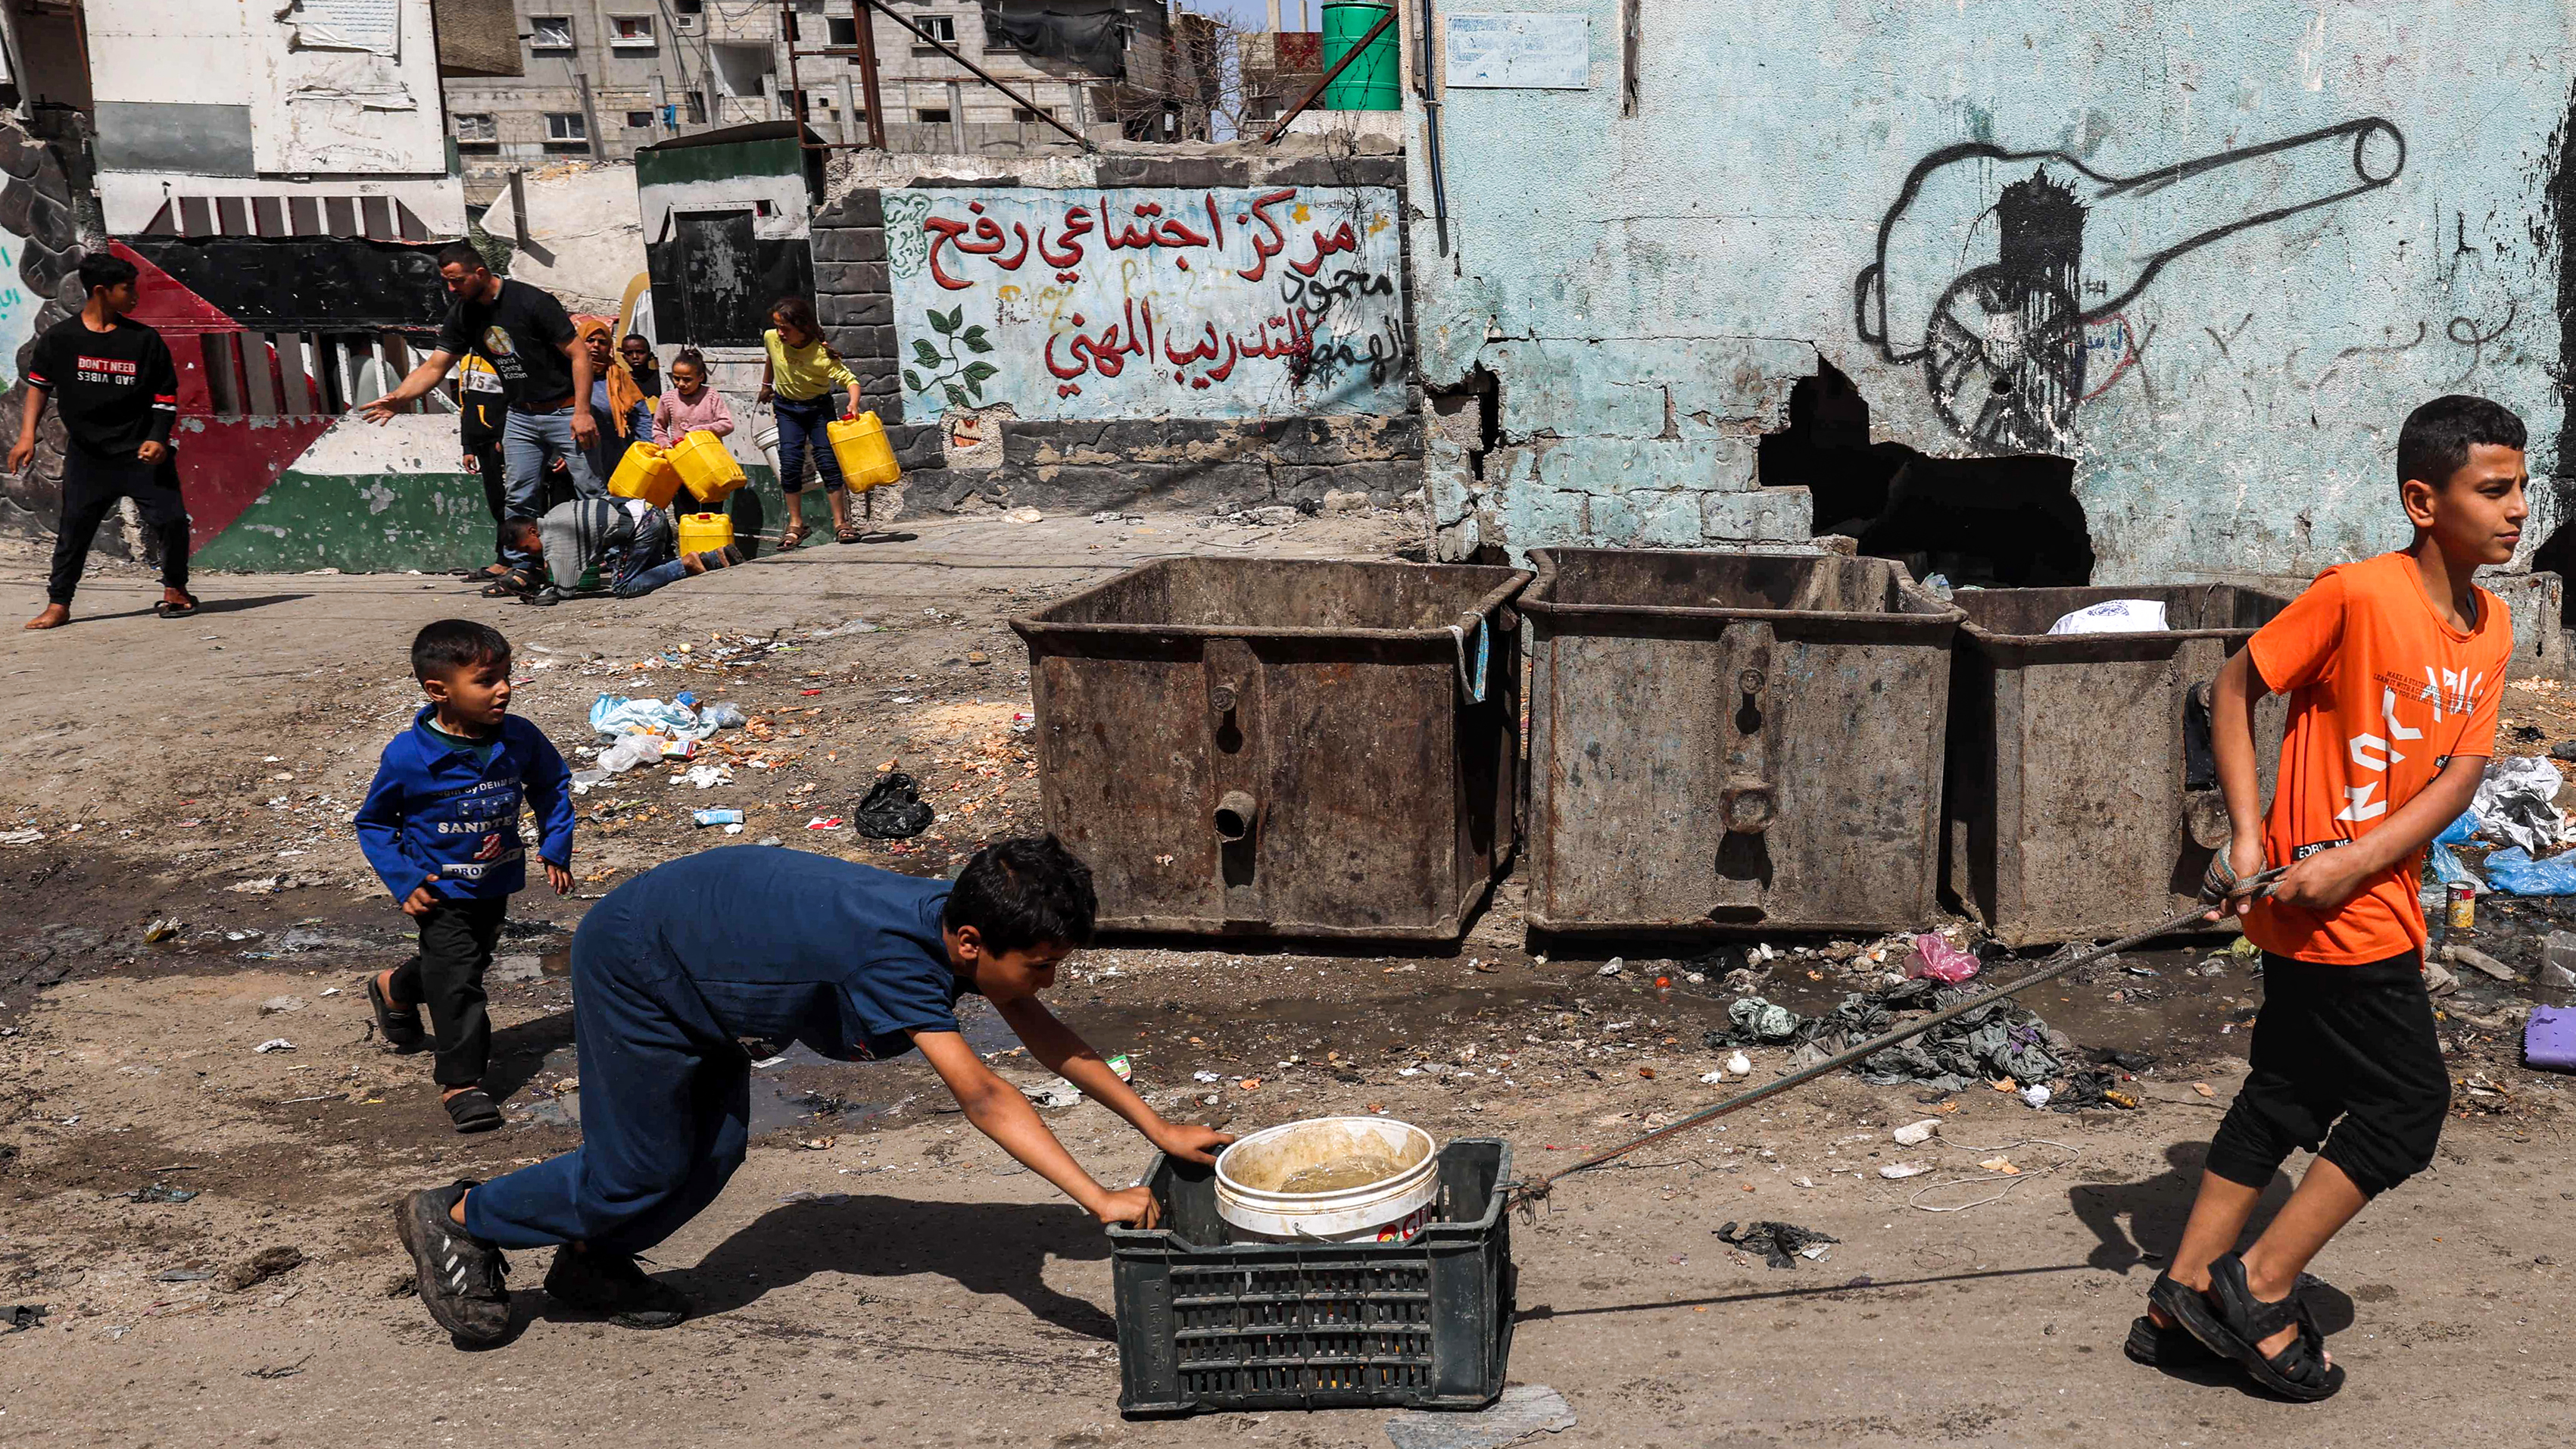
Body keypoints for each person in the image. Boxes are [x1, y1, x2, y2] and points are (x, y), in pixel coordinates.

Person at [391, 835, 1230, 1345]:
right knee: (633, 1169)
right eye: (1040, 963)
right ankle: (461, 1217)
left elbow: (1043, 1034)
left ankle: (591, 1262)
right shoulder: (897, 955)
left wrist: (1157, 1130)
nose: (1046, 979)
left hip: (711, 968)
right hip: (642, 961)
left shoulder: (960, 928)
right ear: (972, 940)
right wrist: (1093, 1195)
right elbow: (984, 1094)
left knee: (713, 1153)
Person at [2139, 394, 2524, 1401]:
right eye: (2493, 489)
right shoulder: (2356, 594)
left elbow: (2456, 777)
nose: (2517, 507)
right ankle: (2256, 1287)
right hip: (2330, 915)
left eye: (2522, 487)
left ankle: (2177, 1297)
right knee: (2405, 1107)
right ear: (2421, 499)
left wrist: (2358, 859)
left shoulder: (2490, 629)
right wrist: (2248, 829)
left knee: (2288, 1092)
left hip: (2361, 891)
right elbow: (2229, 688)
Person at [355, 620, 576, 1135]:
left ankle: (394, 987)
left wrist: (556, 844)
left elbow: (552, 783)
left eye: (507, 675)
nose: (503, 689)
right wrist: (405, 879)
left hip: (493, 882)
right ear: (440, 691)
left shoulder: (518, 737)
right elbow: (373, 821)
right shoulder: (409, 756)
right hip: (437, 888)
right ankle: (462, 1081)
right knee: (458, 982)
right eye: (486, 680)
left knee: (462, 962)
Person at [359, 243, 599, 578]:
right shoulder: (463, 313)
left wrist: (583, 411)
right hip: (520, 415)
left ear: (480, 273)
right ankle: (524, 568)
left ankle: (612, 558)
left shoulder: (531, 302)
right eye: (447, 281)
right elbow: (435, 366)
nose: (451, 289)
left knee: (591, 489)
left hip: (565, 410)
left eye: (457, 280)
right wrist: (399, 398)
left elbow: (579, 355)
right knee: (518, 497)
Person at [11, 251, 192, 629]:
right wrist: (26, 435)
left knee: (171, 521)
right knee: (73, 531)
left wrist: (158, 438)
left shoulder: (144, 341)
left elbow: (165, 397)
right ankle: (59, 604)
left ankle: (175, 589)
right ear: (101, 291)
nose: (135, 297)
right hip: (89, 457)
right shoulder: (61, 339)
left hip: (142, 455)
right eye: (127, 289)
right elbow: (38, 388)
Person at [756, 295, 864, 548]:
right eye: (778, 326)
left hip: (818, 410)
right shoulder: (772, 338)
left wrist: (853, 403)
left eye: (786, 328)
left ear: (803, 327)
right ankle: (796, 523)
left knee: (827, 461)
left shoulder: (821, 355)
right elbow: (772, 357)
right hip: (787, 409)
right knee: (790, 464)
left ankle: (841, 523)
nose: (780, 333)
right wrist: (765, 385)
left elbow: (851, 381)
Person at [505, 501, 740, 604]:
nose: (530, 553)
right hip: (650, 513)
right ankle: (714, 557)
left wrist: (543, 594)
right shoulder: (557, 513)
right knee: (644, 574)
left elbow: (566, 590)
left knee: (623, 586)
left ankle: (686, 563)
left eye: (526, 548)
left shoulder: (555, 535)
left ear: (533, 531)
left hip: (641, 526)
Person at [456, 353, 519, 586]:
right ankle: (504, 557)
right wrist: (467, 446)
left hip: (500, 440)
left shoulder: (504, 360)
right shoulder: (466, 361)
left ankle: (510, 559)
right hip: (481, 443)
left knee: (510, 503)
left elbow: (512, 400)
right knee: (496, 504)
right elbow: (465, 406)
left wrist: (506, 434)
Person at [650, 348, 734, 513]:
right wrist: (665, 446)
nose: (681, 384)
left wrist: (699, 431)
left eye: (687, 379)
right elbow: (658, 428)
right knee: (685, 511)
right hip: (683, 467)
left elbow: (727, 424)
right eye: (676, 378)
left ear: (701, 377)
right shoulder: (668, 399)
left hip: (710, 464)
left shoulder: (711, 396)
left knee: (713, 510)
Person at [576, 317, 651, 489]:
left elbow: (641, 417)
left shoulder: (618, 376)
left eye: (602, 342)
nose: (596, 346)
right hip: (574, 456)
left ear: (609, 347)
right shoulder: (566, 374)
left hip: (614, 456)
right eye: (590, 340)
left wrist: (646, 452)